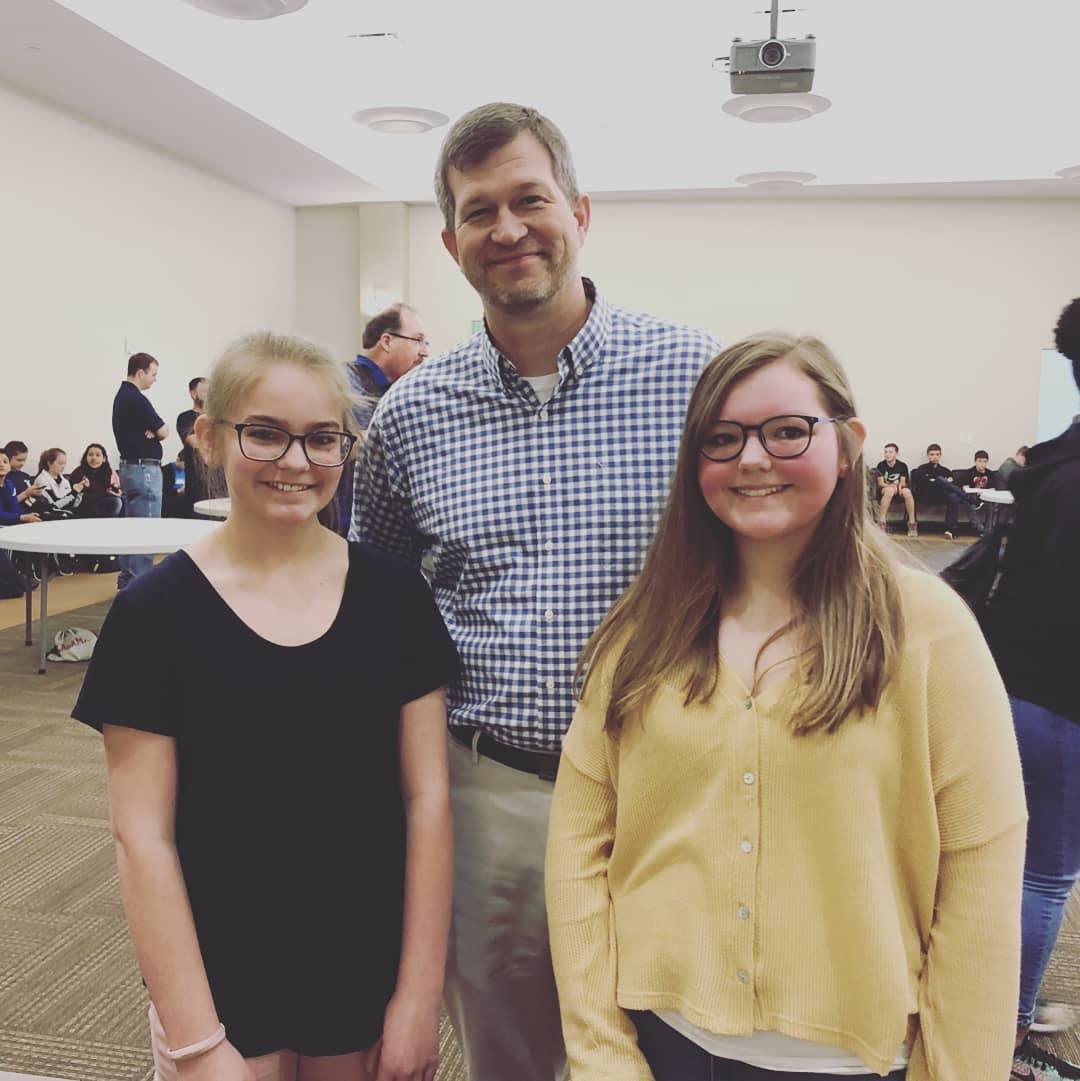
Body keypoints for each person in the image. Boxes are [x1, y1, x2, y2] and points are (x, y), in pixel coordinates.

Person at [545, 333, 1026, 1081]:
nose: (753, 458)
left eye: (788, 430)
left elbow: (980, 878)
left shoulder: (928, 628)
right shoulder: (644, 630)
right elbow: (579, 845)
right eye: (722, 437)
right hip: (662, 1044)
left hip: (853, 1061)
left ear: (849, 444)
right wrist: (599, 1051)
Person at [352, 101, 719, 1081]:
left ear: (581, 210)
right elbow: (376, 611)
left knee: (675, 1039)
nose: (508, 228)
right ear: (451, 240)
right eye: (481, 211)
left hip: (674, 787)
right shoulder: (412, 416)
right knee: (513, 1050)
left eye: (530, 199)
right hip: (496, 791)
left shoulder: (696, 377)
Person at [73, 331, 459, 1081]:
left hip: (360, 961)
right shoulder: (154, 613)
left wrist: (418, 994)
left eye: (322, 440)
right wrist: (194, 1040)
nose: (295, 462)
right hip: (217, 975)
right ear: (211, 437)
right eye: (266, 433)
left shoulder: (393, 596)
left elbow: (428, 798)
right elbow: (141, 837)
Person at [982, 298, 1080, 1080]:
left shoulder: (1049, 462)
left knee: (1009, 861)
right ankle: (1004, 1032)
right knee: (1045, 871)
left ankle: (1002, 1002)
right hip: (1058, 698)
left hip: (1008, 685)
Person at [331, 304, 429, 536]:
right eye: (417, 340)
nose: (425, 352)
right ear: (386, 341)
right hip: (343, 529)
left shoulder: (404, 391)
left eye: (426, 343)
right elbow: (340, 445)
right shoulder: (342, 382)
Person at [112, 352, 170, 589]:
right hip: (144, 469)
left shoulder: (122, 396)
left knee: (133, 526)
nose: (155, 379)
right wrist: (156, 432)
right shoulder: (135, 398)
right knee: (146, 527)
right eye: (153, 374)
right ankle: (140, 585)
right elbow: (165, 430)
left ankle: (128, 580)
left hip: (131, 468)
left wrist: (152, 431)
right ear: (140, 372)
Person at [910, 443, 966, 538]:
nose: (934, 457)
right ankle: (966, 497)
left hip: (941, 496)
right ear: (928, 456)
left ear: (940, 455)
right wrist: (940, 481)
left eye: (937, 454)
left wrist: (936, 481)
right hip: (926, 495)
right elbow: (922, 484)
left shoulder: (946, 470)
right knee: (941, 480)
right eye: (932, 454)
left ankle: (950, 530)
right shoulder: (922, 469)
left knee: (953, 497)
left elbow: (952, 484)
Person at [177, 376, 209, 517]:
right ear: (193, 393)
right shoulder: (186, 418)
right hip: (197, 485)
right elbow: (195, 442)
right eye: (205, 391)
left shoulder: (220, 418)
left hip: (221, 484)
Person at [70, 443, 123, 519]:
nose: (94, 458)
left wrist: (117, 491)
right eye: (90, 455)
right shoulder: (78, 472)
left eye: (98, 455)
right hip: (85, 503)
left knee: (118, 501)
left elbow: (114, 488)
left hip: (103, 501)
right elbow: (76, 494)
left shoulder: (109, 472)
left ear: (104, 459)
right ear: (85, 458)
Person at [875, 442, 917, 536]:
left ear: (896, 453)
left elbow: (902, 482)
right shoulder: (881, 465)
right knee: (890, 490)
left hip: (899, 488)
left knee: (907, 492)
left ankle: (912, 523)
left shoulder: (902, 466)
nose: (887, 454)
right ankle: (882, 522)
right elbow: (881, 483)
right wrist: (892, 486)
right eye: (886, 452)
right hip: (886, 489)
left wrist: (898, 487)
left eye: (890, 452)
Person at [33, 447, 88, 517]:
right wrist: (74, 493)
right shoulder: (41, 480)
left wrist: (80, 492)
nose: (63, 466)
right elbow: (54, 506)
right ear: (49, 463)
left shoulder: (65, 481)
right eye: (60, 463)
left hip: (66, 515)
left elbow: (72, 504)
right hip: (51, 517)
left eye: (64, 464)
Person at [956, 450, 999, 536]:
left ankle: (988, 530)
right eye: (979, 461)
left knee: (992, 503)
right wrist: (968, 489)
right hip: (973, 497)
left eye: (984, 461)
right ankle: (980, 528)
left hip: (986, 497)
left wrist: (985, 493)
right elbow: (964, 487)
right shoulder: (969, 472)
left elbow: (993, 488)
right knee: (967, 501)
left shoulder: (990, 474)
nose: (982, 464)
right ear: (975, 461)